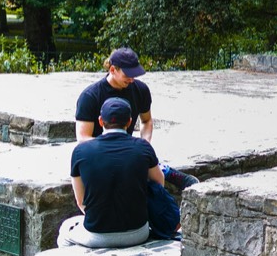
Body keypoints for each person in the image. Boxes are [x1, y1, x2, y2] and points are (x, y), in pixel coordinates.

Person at [57, 97, 177, 247]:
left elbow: (81, 201)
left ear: (100, 121)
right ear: (129, 121)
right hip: (138, 233)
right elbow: (158, 184)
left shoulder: (81, 151)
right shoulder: (143, 147)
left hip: (97, 234)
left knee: (65, 230)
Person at [75, 47, 197, 190]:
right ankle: (163, 170)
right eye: (128, 75)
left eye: (135, 74)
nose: (132, 79)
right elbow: (83, 138)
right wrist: (114, 147)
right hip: (99, 151)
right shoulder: (90, 96)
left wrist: (144, 145)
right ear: (113, 70)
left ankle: (166, 173)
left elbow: (146, 120)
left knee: (140, 161)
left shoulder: (140, 90)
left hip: (127, 148)